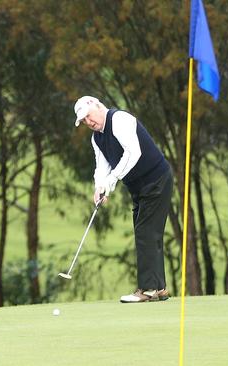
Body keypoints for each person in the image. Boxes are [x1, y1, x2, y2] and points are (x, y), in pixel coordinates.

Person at [73, 96, 173, 303]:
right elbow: (101, 166)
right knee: (147, 233)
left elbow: (133, 153)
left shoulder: (119, 120)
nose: (88, 122)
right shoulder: (96, 138)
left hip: (156, 179)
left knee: (146, 232)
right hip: (139, 187)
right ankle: (159, 287)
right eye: (84, 121)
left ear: (98, 106)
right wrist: (100, 187)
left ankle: (147, 289)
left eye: (88, 116)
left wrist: (112, 180)